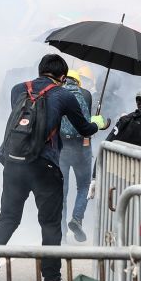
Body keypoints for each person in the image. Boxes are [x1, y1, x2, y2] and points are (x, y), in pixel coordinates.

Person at [0, 54, 100, 281]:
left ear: (40, 71)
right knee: (50, 223)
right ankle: (51, 280)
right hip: (44, 166)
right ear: (61, 76)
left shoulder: (19, 89)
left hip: (14, 162)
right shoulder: (64, 95)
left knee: (8, 217)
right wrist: (100, 122)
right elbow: (85, 128)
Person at [58, 69, 98, 242]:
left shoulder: (57, 94)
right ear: (78, 81)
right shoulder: (87, 95)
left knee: (62, 190)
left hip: (62, 148)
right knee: (84, 185)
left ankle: (61, 234)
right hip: (82, 147)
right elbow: (87, 121)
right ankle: (77, 218)